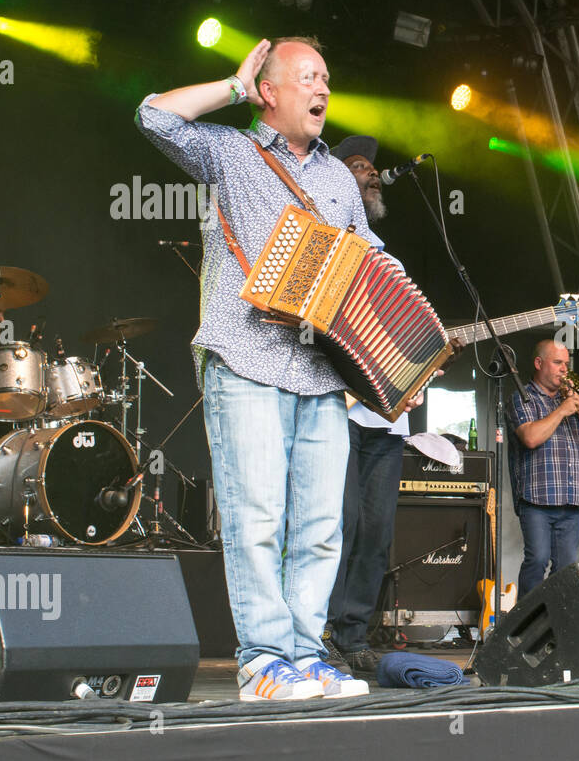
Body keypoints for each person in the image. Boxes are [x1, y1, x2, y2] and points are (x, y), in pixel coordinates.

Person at [136, 36, 371, 700]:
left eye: (327, 76)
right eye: (307, 77)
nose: (323, 88)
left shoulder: (338, 178)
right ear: (270, 92)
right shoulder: (232, 150)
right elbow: (154, 115)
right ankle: (263, 662)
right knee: (258, 517)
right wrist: (232, 88)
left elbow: (364, 272)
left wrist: (392, 363)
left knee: (323, 529)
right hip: (244, 357)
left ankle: (303, 653)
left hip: (321, 374)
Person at [322, 135, 410, 674]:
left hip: (386, 421)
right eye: (359, 167)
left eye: (375, 170)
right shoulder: (327, 247)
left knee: (375, 535)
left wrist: (422, 365)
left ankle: (353, 634)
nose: (373, 175)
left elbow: (406, 334)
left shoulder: (389, 260)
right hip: (336, 410)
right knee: (340, 525)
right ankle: (317, 629)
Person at [509, 339, 579, 596]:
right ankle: (527, 625)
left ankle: (553, 624)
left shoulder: (571, 400)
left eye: (567, 364)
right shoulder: (523, 397)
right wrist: (562, 410)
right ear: (539, 363)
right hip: (537, 498)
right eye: (558, 363)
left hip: (570, 499)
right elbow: (530, 438)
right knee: (537, 560)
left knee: (565, 569)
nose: (565, 369)